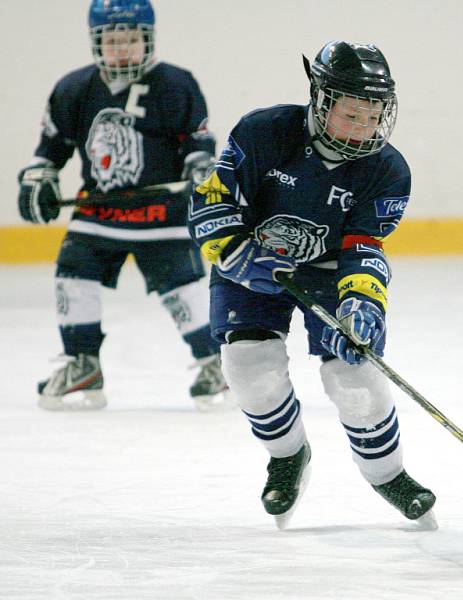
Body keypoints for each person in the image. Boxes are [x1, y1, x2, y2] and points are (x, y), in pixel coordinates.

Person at [188, 40, 436, 528]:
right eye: (351, 114)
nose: (364, 129)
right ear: (320, 99)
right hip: (252, 263)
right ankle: (287, 456)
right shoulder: (263, 131)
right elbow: (212, 202)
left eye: (373, 116)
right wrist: (235, 254)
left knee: (356, 380)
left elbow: (364, 247)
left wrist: (364, 303)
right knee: (248, 368)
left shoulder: (387, 169)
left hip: (327, 273)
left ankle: (389, 476)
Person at [18, 0, 229, 412]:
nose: (122, 49)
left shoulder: (175, 84)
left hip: (161, 213)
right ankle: (84, 363)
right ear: (96, 42)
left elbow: (197, 141)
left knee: (184, 291)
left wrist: (200, 168)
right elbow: (51, 148)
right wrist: (38, 178)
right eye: (112, 40)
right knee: (72, 277)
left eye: (131, 39)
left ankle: (214, 364)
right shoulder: (73, 88)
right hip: (99, 212)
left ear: (147, 39)